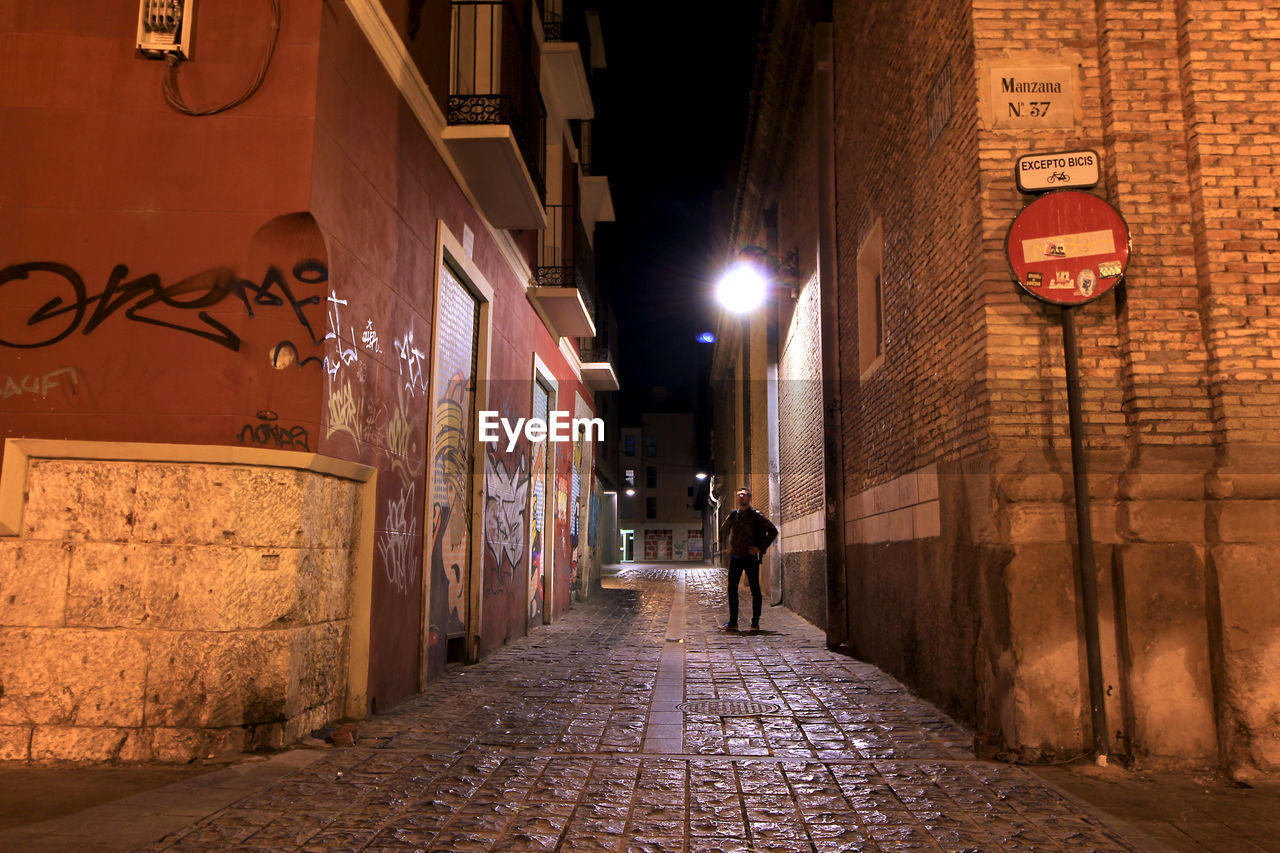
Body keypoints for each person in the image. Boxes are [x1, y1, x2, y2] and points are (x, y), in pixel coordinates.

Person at [718, 486, 778, 632]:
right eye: (739, 495)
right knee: (732, 589)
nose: (741, 497)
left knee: (755, 590)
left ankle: (755, 624)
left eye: (744, 495)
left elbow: (773, 531)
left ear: (750, 498)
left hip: (750, 558)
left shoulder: (756, 515)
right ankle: (733, 622)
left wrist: (760, 548)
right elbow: (723, 530)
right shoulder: (734, 515)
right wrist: (727, 546)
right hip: (736, 557)